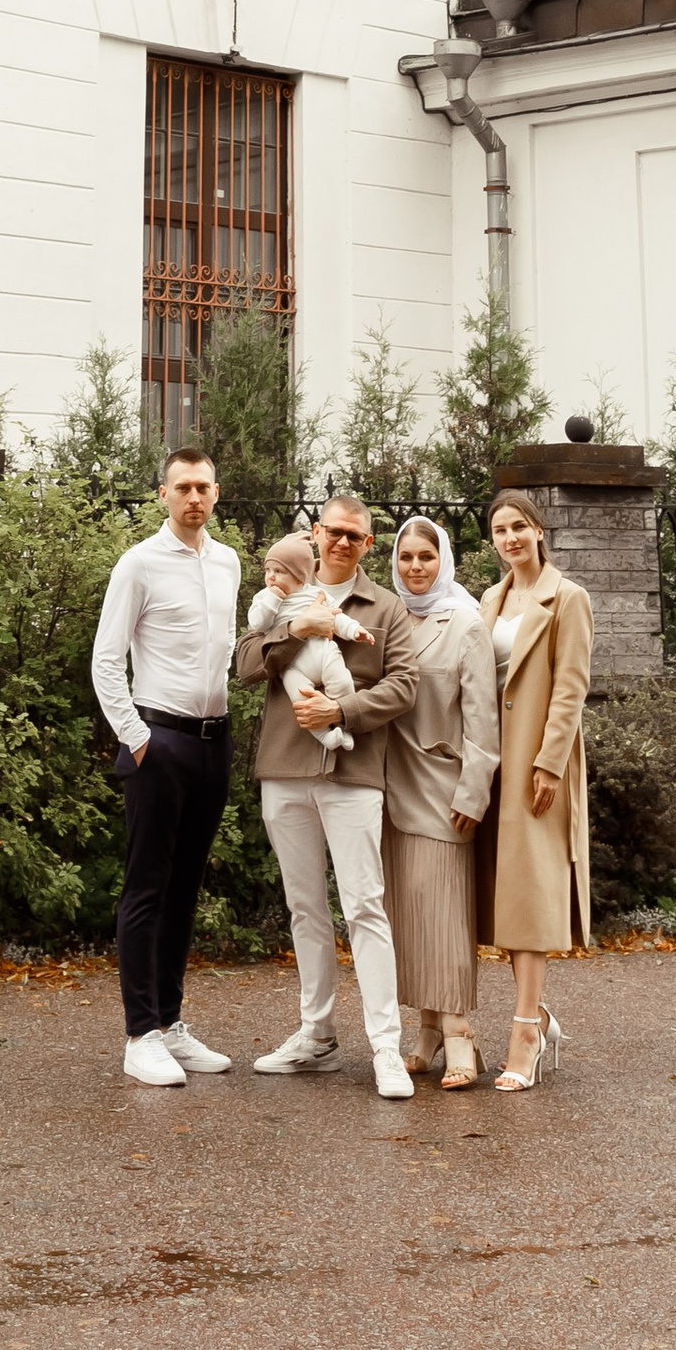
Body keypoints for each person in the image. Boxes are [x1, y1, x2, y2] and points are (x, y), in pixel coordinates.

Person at [235, 492, 420, 1099]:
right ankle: (316, 1037)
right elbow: (245, 663)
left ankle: (386, 1047)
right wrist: (298, 630)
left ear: (368, 544)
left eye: (354, 536)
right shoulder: (284, 588)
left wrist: (342, 710)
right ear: (315, 533)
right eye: (334, 531)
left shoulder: (385, 608)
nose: (342, 542)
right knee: (305, 908)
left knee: (365, 907)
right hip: (285, 771)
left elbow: (405, 686)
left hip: (353, 774)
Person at [90, 441, 243, 1089]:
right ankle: (140, 1034)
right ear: (163, 495)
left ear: (216, 493)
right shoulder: (139, 564)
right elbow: (106, 660)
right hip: (160, 743)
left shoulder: (228, 562)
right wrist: (138, 739)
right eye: (183, 488)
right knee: (146, 889)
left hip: (214, 742)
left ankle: (171, 1022)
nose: (194, 497)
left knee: (185, 889)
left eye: (203, 487)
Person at [478, 488, 594, 1091]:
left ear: (539, 530)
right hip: (491, 761)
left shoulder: (567, 597)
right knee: (502, 898)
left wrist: (549, 763)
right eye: (500, 530)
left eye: (519, 526)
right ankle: (539, 1017)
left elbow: (572, 686)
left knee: (527, 894)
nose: (511, 538)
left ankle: (525, 1030)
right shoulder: (489, 599)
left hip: (536, 761)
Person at [378, 515, 498, 1089]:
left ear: (443, 560)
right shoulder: (388, 616)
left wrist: (474, 791)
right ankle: (426, 1032)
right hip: (388, 785)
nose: (415, 567)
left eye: (426, 556)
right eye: (406, 557)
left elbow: (482, 716)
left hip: (444, 787)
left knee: (445, 914)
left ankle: (459, 1033)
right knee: (411, 916)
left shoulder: (465, 622)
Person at [245, 533, 361, 771]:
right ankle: (326, 736)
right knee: (301, 701)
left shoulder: (314, 595)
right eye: (268, 570)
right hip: (293, 666)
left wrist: (354, 630)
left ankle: (344, 727)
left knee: (343, 682)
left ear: (299, 577)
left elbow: (336, 617)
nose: (271, 576)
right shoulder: (264, 598)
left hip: (323, 652)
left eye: (279, 571)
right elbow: (258, 625)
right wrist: (273, 600)